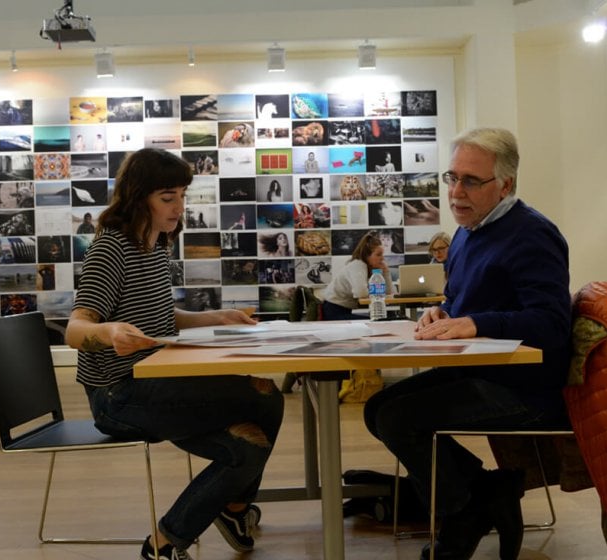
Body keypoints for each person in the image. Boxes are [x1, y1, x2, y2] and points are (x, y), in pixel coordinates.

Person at [64, 148, 284, 560]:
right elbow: (76, 329)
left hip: (153, 383)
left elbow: (162, 316)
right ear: (137, 197)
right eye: (168, 197)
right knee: (263, 396)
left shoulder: (156, 244)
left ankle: (175, 539)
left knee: (248, 447)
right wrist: (109, 332)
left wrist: (218, 316)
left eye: (183, 195)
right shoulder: (112, 248)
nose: (179, 206)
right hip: (118, 395)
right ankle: (231, 510)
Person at [363, 128, 571, 560]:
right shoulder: (467, 231)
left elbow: (551, 323)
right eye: (451, 178)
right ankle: (486, 493)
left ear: (506, 185)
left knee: (399, 418)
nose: (456, 192)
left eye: (471, 181)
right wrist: (443, 311)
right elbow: (461, 299)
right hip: (481, 369)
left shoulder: (532, 234)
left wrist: (475, 323)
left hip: (525, 387)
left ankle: (464, 511)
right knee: (376, 409)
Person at [321, 231, 394, 320]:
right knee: (375, 321)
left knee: (377, 320)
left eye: (382, 254)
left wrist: (386, 272)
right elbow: (361, 293)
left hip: (341, 309)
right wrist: (376, 293)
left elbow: (389, 292)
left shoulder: (369, 268)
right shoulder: (358, 265)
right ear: (367, 255)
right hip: (333, 311)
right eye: (378, 255)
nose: (382, 258)